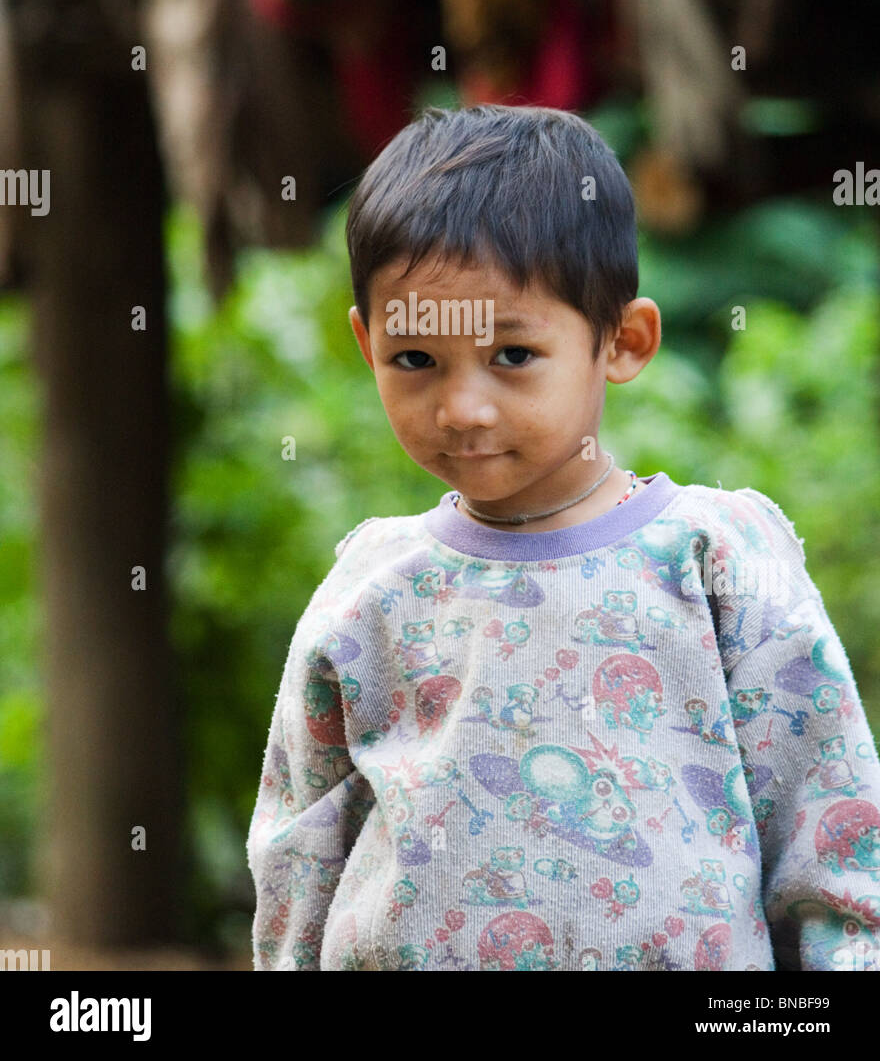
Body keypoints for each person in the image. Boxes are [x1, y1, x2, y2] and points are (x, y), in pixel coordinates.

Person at [246, 104, 880, 972]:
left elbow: (831, 833)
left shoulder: (715, 563)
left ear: (622, 341)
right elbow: (299, 846)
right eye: (415, 361)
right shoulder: (374, 589)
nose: (462, 408)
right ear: (367, 345)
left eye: (512, 355)